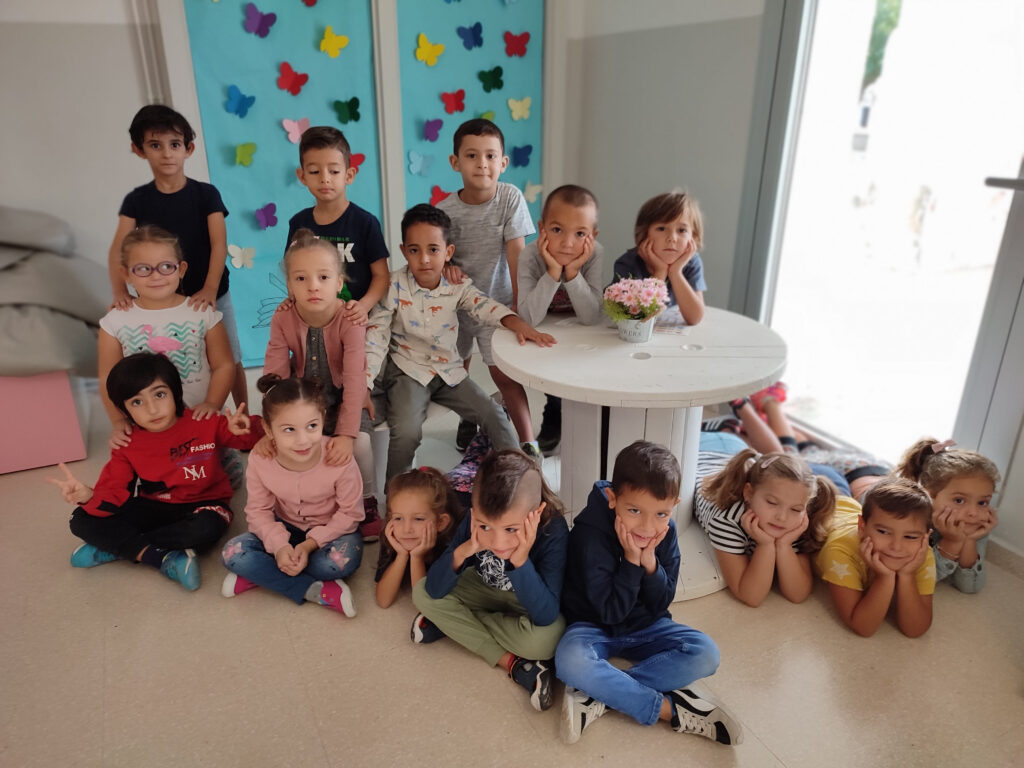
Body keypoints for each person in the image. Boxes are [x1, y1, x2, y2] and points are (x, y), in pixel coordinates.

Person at [555, 441, 741, 746]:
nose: (646, 527)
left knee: (706, 653)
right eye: (634, 510)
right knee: (570, 661)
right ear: (612, 499)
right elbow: (610, 612)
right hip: (594, 625)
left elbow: (662, 602)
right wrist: (631, 562)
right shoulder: (590, 536)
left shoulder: (664, 532)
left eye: (661, 513)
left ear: (674, 505)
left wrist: (651, 565)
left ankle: (600, 695)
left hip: (646, 625)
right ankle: (671, 709)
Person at [365, 204, 555, 483]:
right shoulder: (393, 286)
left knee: (494, 415)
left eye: (433, 249)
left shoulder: (457, 285)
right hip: (408, 371)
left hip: (449, 371)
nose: (424, 259)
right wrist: (366, 382)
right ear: (404, 251)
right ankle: (397, 492)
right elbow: (376, 335)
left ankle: (520, 480)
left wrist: (519, 324)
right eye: (415, 250)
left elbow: (484, 306)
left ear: (448, 252)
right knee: (406, 432)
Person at [47, 353, 262, 591]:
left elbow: (259, 438)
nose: (152, 409)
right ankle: (158, 556)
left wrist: (246, 428)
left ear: (174, 392)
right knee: (81, 520)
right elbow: (113, 493)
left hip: (206, 505)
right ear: (124, 409)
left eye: (159, 394)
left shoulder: (204, 421)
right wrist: (88, 495)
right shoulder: (127, 443)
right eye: (136, 402)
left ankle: (119, 547)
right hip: (155, 505)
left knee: (204, 530)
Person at [108, 104, 246, 409]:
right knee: (171, 360)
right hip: (161, 297)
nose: (167, 154)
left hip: (211, 294)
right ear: (139, 150)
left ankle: (243, 413)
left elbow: (219, 244)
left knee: (229, 357)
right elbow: (118, 249)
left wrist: (210, 288)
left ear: (188, 149)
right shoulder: (137, 200)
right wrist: (119, 292)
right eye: (155, 145)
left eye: (174, 145)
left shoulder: (206, 194)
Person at [412, 450, 568, 712]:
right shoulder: (474, 519)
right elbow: (433, 589)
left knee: (547, 639)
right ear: (475, 513)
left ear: (537, 513)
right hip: (482, 587)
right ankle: (512, 662)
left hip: (526, 600)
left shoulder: (554, 529)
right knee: (422, 593)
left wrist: (520, 561)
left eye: (511, 529)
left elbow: (545, 615)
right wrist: (463, 550)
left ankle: (456, 625)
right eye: (485, 526)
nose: (498, 542)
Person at [260, 228, 381, 539]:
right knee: (288, 443)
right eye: (301, 279)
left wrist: (345, 434)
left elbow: (354, 379)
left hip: (343, 400)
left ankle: (367, 501)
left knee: (361, 444)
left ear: (339, 283)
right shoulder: (283, 317)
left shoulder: (350, 319)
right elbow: (275, 373)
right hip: (302, 402)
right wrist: (273, 423)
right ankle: (301, 501)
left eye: (323, 277)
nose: (313, 286)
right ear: (290, 286)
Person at [435, 119, 539, 457]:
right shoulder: (444, 211)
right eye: (472, 155)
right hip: (457, 307)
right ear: (455, 162)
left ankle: (529, 445)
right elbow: (437, 257)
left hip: (499, 305)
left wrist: (519, 309)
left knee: (504, 377)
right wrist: (445, 267)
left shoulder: (509, 198)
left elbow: (517, 256)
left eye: (491, 156)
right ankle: (471, 421)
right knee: (458, 374)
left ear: (503, 162)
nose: (482, 164)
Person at [220, 376, 363, 616]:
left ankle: (262, 576)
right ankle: (315, 590)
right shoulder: (260, 459)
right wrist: (279, 547)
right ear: (268, 429)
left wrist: (308, 546)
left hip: (331, 532)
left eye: (312, 426)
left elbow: (351, 514)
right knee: (232, 553)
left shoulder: (338, 458)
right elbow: (258, 511)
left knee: (334, 564)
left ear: (323, 418)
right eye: (289, 430)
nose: (302, 440)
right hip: (285, 527)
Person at [98, 226, 235, 448]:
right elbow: (107, 377)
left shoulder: (203, 313)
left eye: (166, 267)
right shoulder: (115, 322)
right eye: (143, 268)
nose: (156, 276)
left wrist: (212, 403)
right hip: (147, 424)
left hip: (200, 419)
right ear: (126, 274)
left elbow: (224, 365)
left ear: (181, 269)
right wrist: (118, 420)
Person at [516, 184, 604, 453]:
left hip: (581, 331)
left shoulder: (595, 254)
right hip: (546, 330)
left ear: (592, 236)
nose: (567, 243)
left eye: (580, 234)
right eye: (557, 230)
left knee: (587, 374)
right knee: (553, 376)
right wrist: (554, 272)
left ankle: (583, 423)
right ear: (541, 229)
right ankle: (554, 413)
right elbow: (528, 317)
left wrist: (574, 272)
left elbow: (590, 316)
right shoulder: (530, 256)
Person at [695, 449, 838, 606]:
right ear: (748, 493)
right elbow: (751, 596)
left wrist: (784, 545)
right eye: (772, 502)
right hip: (701, 461)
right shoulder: (726, 521)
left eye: (795, 509)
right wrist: (766, 545)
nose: (782, 517)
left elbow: (798, 594)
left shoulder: (796, 522)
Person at [286, 126, 390, 326]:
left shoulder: (365, 223)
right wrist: (294, 301)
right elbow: (293, 273)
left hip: (358, 322)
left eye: (334, 171)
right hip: (316, 321)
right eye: (314, 171)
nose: (325, 178)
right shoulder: (299, 223)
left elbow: (382, 276)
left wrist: (363, 306)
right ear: (302, 176)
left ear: (349, 175)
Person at [815, 477, 935, 637]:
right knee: (821, 480)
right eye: (883, 532)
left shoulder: (922, 553)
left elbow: (915, 630)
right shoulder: (839, 550)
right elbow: (863, 627)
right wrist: (885, 578)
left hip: (851, 507)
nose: (896, 547)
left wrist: (907, 576)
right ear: (862, 527)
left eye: (910, 537)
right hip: (823, 508)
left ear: (926, 537)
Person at [896, 438, 1000, 593]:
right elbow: (914, 581)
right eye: (959, 500)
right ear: (929, 495)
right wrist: (951, 542)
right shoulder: (908, 519)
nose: (973, 513)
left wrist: (968, 540)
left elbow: (971, 586)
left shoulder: (976, 526)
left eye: (982, 502)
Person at [612, 191, 706, 325]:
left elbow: (694, 318)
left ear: (693, 237)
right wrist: (660, 271)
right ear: (644, 234)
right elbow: (638, 319)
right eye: (661, 228)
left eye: (682, 230)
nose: (672, 238)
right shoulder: (627, 264)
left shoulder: (692, 262)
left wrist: (675, 272)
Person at [374, 467, 463, 608]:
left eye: (418, 519)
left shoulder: (449, 545)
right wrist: (401, 555)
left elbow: (424, 604)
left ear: (440, 523)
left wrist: (417, 558)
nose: (406, 529)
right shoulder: (392, 535)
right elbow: (383, 600)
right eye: (398, 518)